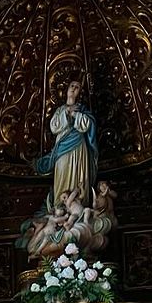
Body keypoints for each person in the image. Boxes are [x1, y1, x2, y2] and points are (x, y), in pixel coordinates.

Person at [35, 79, 99, 213]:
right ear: (67, 89)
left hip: (78, 145)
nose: (74, 88)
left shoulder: (82, 109)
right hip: (62, 147)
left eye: (77, 87)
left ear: (79, 93)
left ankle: (79, 206)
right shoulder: (60, 110)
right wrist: (67, 112)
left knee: (78, 174)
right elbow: (54, 127)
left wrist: (75, 114)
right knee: (62, 171)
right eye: (72, 85)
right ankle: (60, 206)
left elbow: (87, 125)